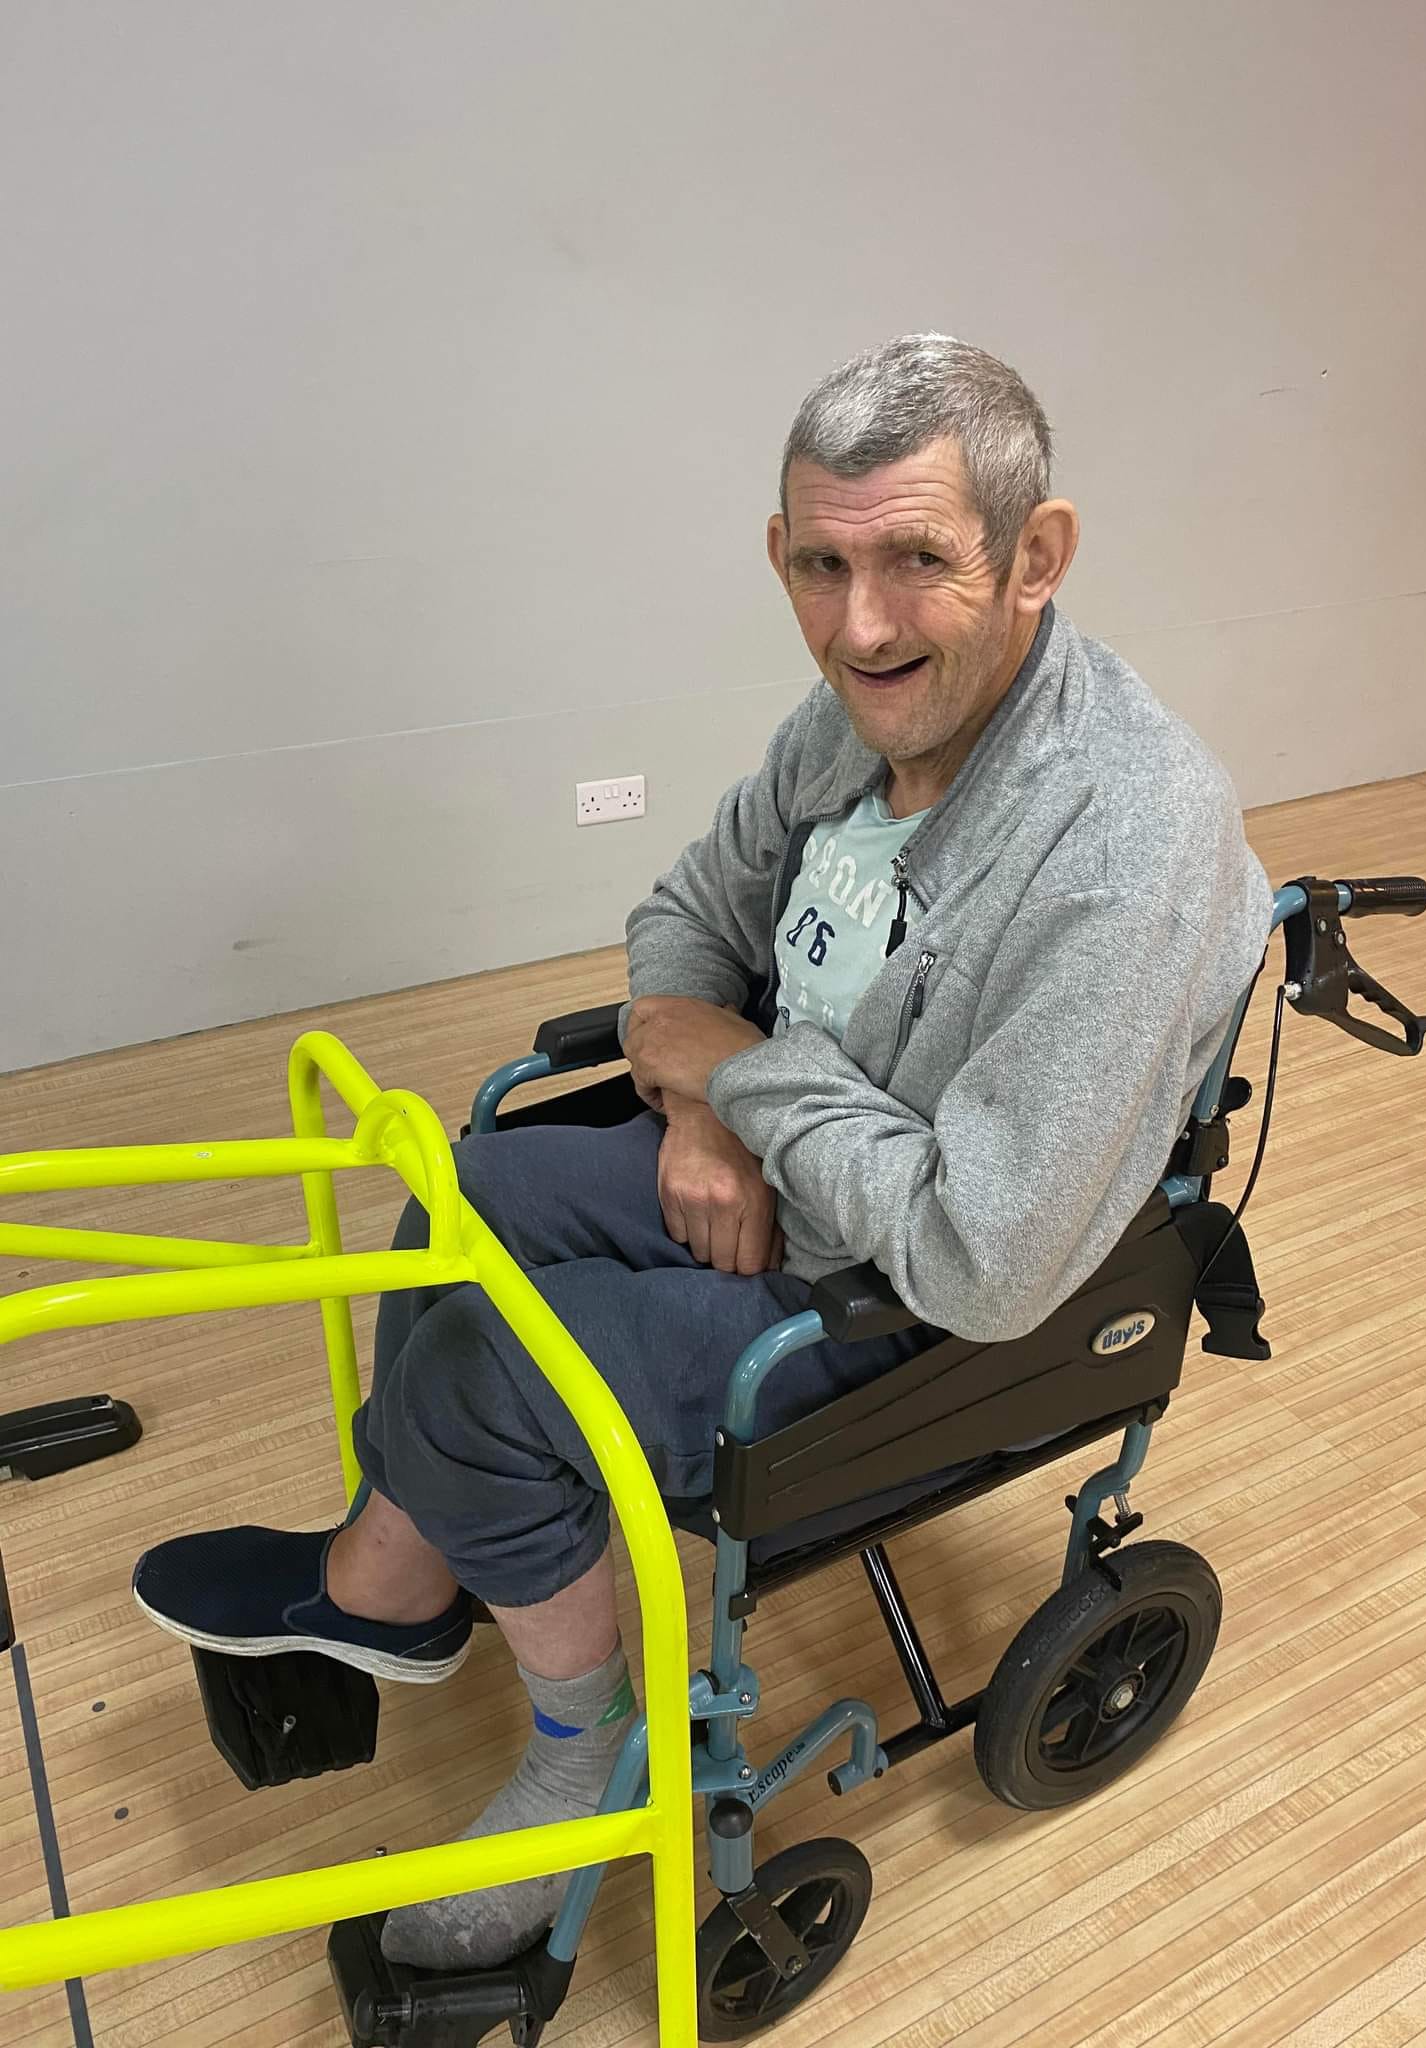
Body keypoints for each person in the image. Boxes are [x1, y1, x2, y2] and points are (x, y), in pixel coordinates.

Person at [132, 334, 1272, 1969]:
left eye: (918, 561)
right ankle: (403, 1575)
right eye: (821, 566)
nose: (860, 626)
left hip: (911, 1295)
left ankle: (573, 1747)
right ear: (779, 549)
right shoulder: (859, 719)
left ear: (1037, 556)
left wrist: (740, 1076)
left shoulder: (1124, 844)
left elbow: (988, 1260)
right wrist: (697, 1106)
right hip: (790, 1176)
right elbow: (685, 918)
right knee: (459, 1196)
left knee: (481, 1377)